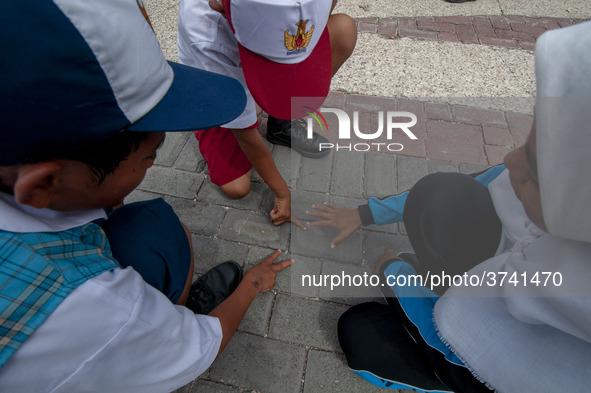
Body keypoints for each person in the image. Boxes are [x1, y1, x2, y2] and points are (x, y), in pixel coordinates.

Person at [0, 0, 291, 392]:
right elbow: (206, 343)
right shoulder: (86, 306)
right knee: (160, 232)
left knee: (144, 225)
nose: (154, 161)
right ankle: (157, 335)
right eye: (150, 155)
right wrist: (253, 282)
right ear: (41, 185)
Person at [307, 22, 591, 393]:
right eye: (528, 141)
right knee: (442, 196)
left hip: (482, 373)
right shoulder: (568, 210)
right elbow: (463, 188)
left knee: (359, 330)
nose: (510, 159)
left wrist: (394, 274)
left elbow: (457, 347)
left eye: (535, 173)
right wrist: (364, 214)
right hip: (501, 282)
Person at [177, 0, 357, 227]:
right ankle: (209, 118)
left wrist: (301, 43)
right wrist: (282, 192)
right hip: (214, 82)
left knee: (343, 30)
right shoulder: (205, 32)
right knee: (237, 187)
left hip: (245, 63)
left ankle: (279, 122)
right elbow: (245, 135)